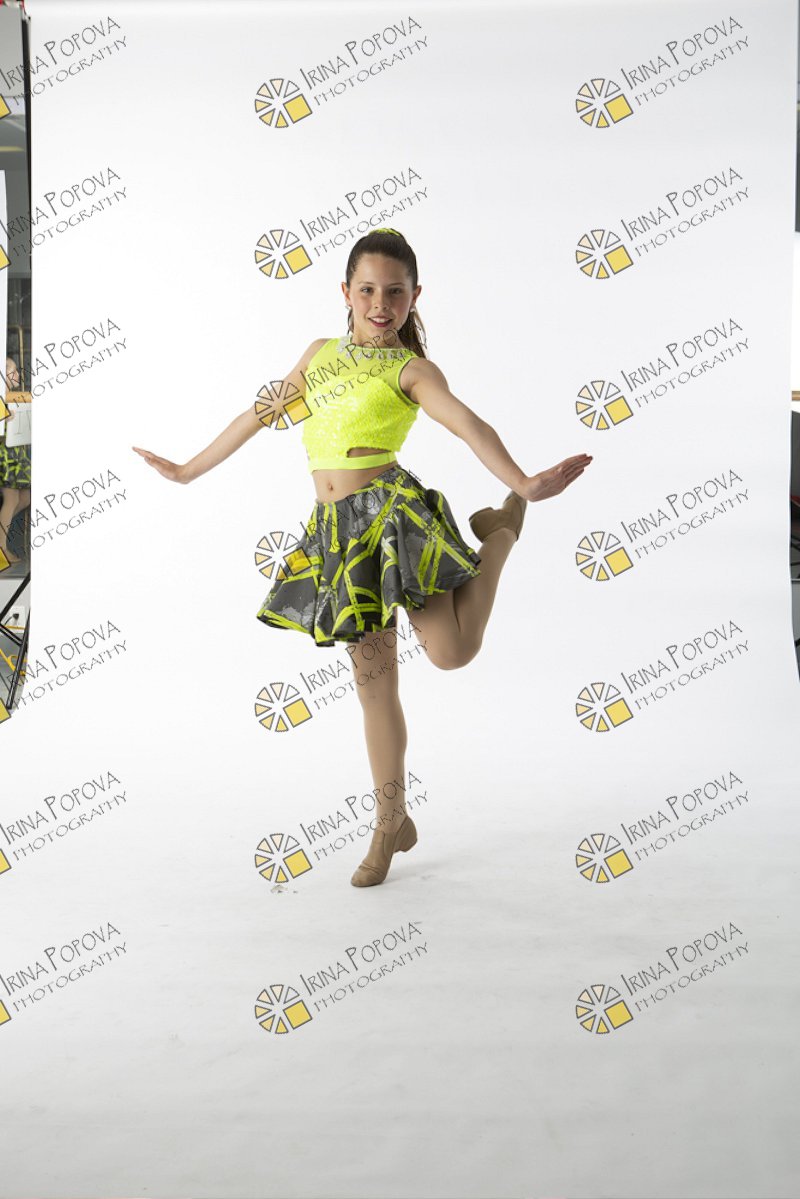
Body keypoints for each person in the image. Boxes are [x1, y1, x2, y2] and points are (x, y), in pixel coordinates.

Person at [133, 227, 592, 888]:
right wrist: (185, 470)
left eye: (395, 292)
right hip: (338, 536)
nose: (381, 304)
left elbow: (468, 424)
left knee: (452, 652)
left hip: (392, 520)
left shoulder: (412, 370)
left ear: (415, 297)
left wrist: (521, 481)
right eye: (368, 289)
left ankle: (501, 530)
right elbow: (259, 413)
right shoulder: (319, 354)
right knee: (375, 687)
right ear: (345, 292)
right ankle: (390, 823)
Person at [0, 355, 31, 568]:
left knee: (26, 497)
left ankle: (2, 531)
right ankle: (1, 549)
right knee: (11, 499)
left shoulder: (14, 396)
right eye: (12, 370)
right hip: (6, 454)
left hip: (18, 453)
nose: (18, 374)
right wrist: (6, 415)